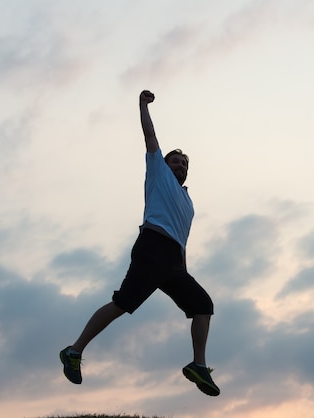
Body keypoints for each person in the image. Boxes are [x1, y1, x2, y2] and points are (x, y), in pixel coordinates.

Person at [59, 90, 220, 397]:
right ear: (165, 164)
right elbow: (149, 135)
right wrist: (142, 106)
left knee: (203, 305)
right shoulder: (158, 174)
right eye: (175, 162)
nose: (180, 166)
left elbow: (183, 240)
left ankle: (198, 366)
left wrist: (182, 271)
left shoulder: (188, 202)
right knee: (123, 304)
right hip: (152, 247)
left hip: (173, 260)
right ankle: (74, 351)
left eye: (185, 164)